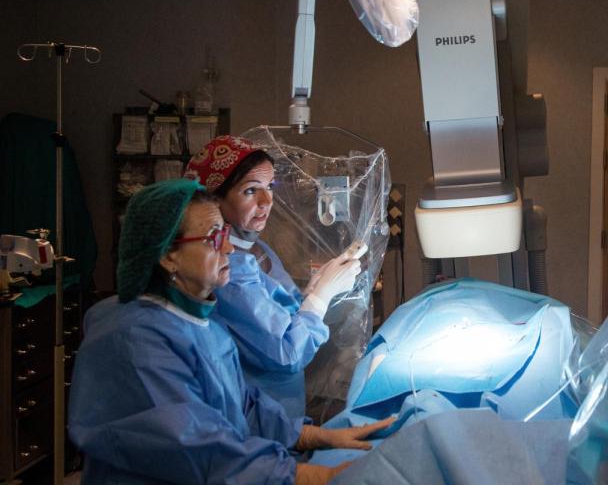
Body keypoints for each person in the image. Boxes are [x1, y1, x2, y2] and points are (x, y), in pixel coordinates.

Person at [68, 179, 393, 484]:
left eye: (225, 234)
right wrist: (315, 476)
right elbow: (194, 448)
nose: (228, 250)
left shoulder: (200, 325)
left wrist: (314, 436)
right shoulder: (135, 338)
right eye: (213, 238)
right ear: (168, 255)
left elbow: (242, 406)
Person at [184, 135, 361, 417]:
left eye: (270, 187)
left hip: (283, 414)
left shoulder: (259, 249)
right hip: (257, 422)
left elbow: (281, 314)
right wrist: (321, 296)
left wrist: (314, 289)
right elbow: (287, 351)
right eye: (251, 191)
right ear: (214, 200)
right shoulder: (227, 272)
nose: (267, 201)